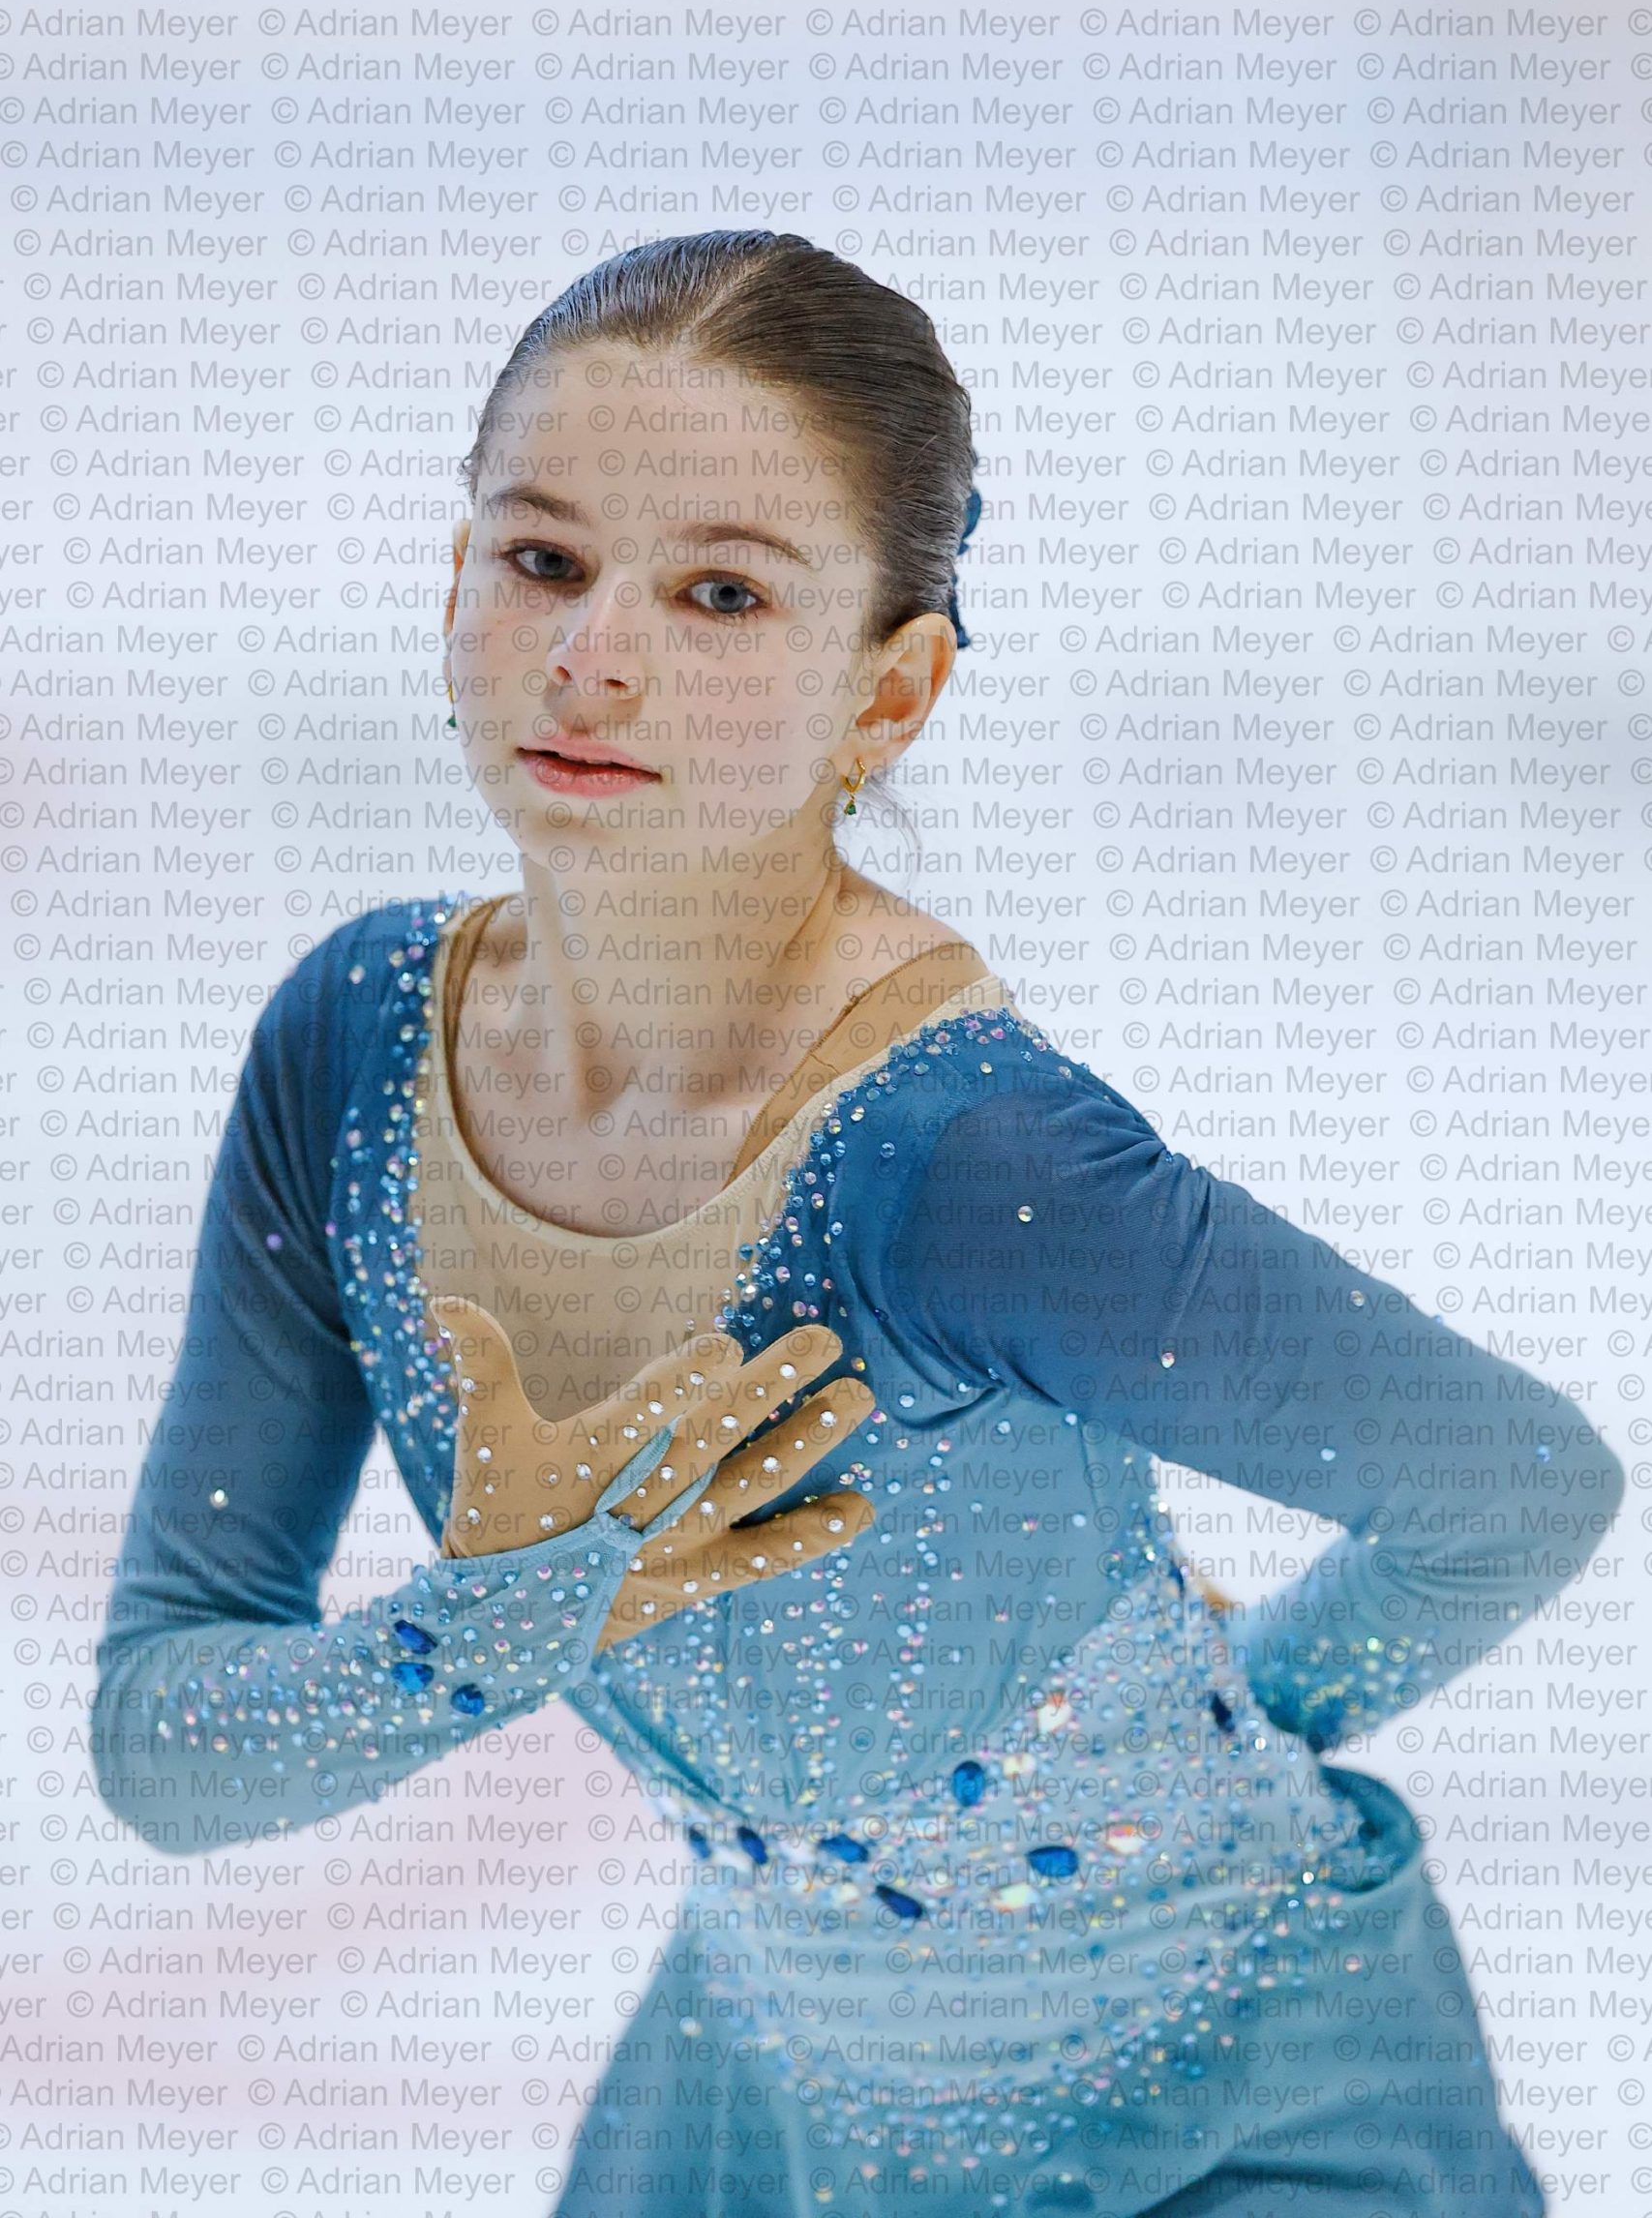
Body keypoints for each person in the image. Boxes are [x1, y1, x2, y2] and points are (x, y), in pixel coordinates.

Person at [94, 231, 1620, 2218]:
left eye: (720, 592)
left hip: (1230, 2101)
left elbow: (1515, 1484)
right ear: (454, 577)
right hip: (756, 2107)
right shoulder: (353, 1050)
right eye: (543, 558)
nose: (592, 655)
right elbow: (165, 1743)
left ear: (886, 692)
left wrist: (1170, 1747)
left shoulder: (966, 1163)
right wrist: (516, 1608)